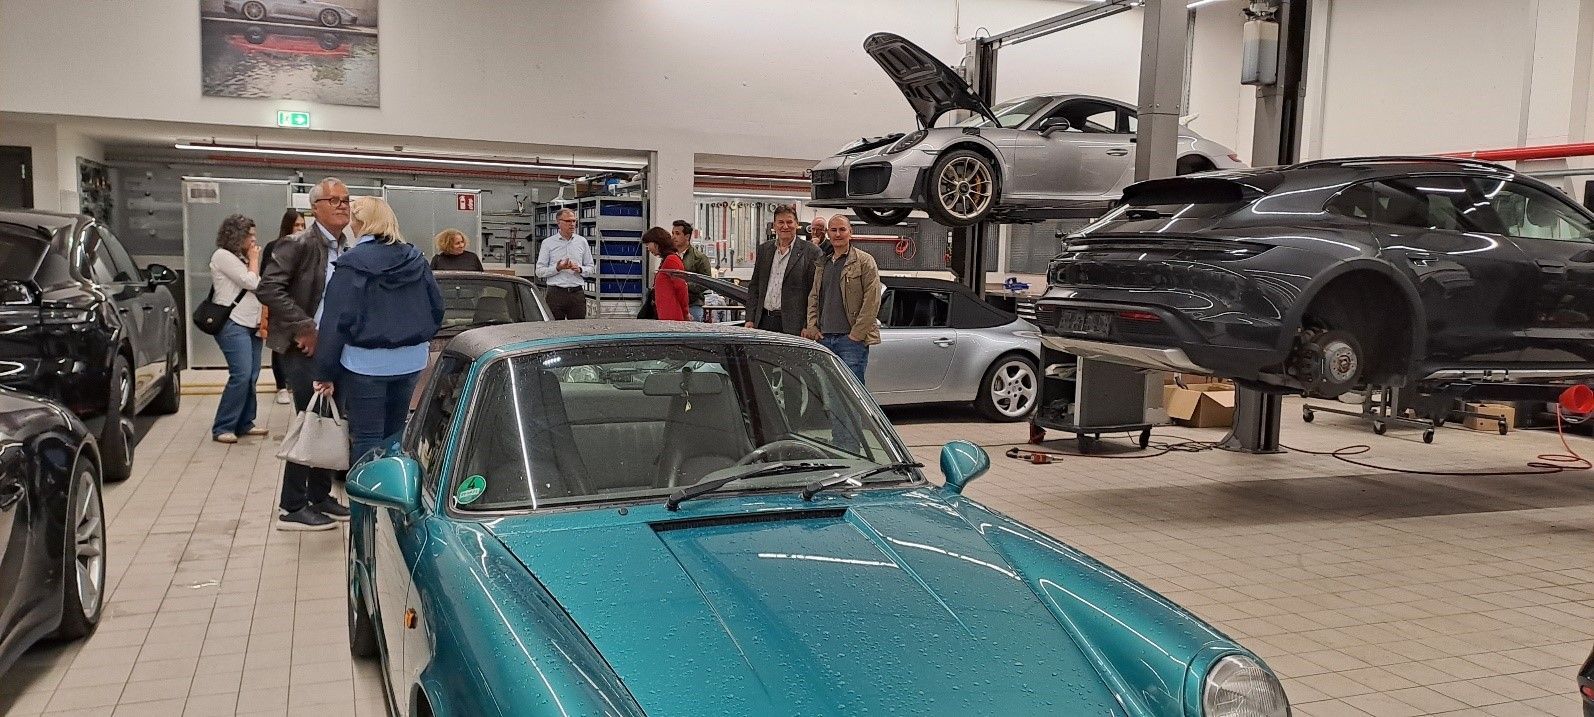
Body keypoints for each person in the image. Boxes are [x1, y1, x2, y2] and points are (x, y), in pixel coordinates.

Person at [313, 197, 443, 468]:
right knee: (395, 433)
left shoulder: (351, 264)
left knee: (367, 437)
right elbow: (436, 307)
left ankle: (365, 493)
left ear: (361, 223)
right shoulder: (416, 259)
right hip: (410, 362)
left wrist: (325, 371)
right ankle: (391, 488)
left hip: (365, 364)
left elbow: (336, 320)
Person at [256, 177, 353, 531]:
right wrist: (303, 325)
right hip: (304, 347)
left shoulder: (345, 246)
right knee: (310, 418)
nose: (342, 205)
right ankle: (293, 506)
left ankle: (320, 495)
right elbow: (268, 288)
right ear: (315, 208)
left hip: (334, 346)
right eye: (334, 200)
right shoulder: (297, 244)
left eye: (346, 200)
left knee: (330, 418)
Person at [209, 214, 269, 444]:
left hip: (251, 323)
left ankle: (245, 421)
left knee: (252, 375)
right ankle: (223, 425)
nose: (254, 239)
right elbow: (251, 282)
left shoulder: (242, 258)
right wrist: (254, 259)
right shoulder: (222, 256)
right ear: (236, 235)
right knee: (241, 375)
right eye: (249, 235)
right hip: (232, 323)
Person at [803, 216, 881, 384]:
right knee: (824, 391)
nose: (838, 234)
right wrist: (812, 327)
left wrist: (856, 335)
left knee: (852, 392)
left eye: (842, 230)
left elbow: (872, 300)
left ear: (850, 232)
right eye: (833, 230)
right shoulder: (822, 263)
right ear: (828, 234)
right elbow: (814, 297)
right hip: (823, 339)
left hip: (851, 342)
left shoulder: (864, 261)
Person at [744, 204, 820, 335]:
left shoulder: (811, 252)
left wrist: (808, 325)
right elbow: (754, 287)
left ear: (797, 224)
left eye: (789, 222)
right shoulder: (764, 250)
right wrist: (750, 319)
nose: (785, 226)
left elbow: (815, 293)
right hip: (763, 322)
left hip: (795, 327)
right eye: (780, 222)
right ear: (774, 225)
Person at [263, 209, 304, 406]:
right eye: (297, 225)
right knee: (280, 344)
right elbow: (266, 278)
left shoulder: (307, 246)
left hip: (301, 303)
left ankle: (294, 382)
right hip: (280, 302)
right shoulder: (274, 247)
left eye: (303, 225)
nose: (300, 229)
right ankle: (281, 386)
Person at [535, 208, 594, 319]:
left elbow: (591, 268)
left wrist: (580, 269)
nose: (572, 224)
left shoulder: (582, 242)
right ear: (558, 223)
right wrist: (557, 268)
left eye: (574, 221)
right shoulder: (548, 243)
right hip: (555, 293)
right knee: (554, 327)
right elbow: (539, 271)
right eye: (568, 221)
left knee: (578, 327)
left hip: (576, 293)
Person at [644, 227, 690, 321]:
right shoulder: (667, 261)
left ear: (657, 242)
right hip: (665, 316)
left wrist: (685, 313)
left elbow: (681, 289)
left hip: (671, 316)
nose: (647, 248)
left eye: (648, 244)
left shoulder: (671, 260)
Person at [670, 220, 712, 321]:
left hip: (692, 304)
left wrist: (685, 285)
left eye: (677, 234)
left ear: (687, 236)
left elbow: (706, 282)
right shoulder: (670, 256)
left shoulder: (699, 258)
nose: (673, 237)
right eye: (673, 233)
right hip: (673, 303)